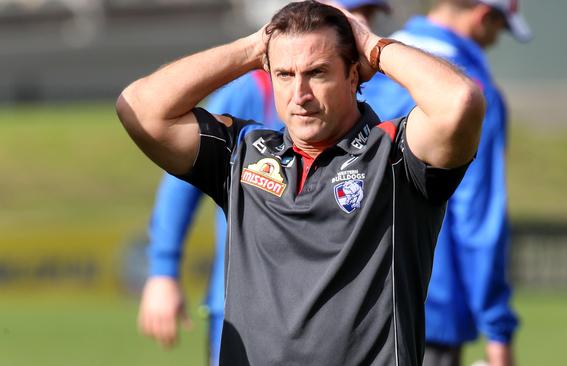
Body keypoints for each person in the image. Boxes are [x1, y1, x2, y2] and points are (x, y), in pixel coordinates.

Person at [117, 1, 485, 364]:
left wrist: (370, 44)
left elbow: (459, 101)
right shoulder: (243, 152)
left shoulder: (395, 156)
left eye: (318, 73)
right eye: (285, 75)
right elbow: (140, 108)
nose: (300, 96)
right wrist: (255, 46)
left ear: (353, 75)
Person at [136, 1, 390, 365]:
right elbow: (177, 166)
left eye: (368, 15)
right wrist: (163, 268)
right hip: (248, 310)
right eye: (347, 13)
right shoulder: (253, 87)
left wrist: (372, 46)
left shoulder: (389, 87)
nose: (358, 23)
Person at [361, 0, 532, 365]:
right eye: (499, 30)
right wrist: (497, 327)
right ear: (484, 16)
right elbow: (479, 217)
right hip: (430, 307)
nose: (494, 42)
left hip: (351, 300)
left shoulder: (368, 69)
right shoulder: (470, 90)